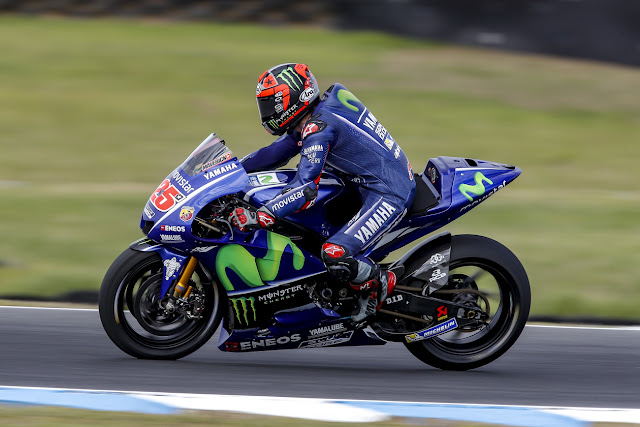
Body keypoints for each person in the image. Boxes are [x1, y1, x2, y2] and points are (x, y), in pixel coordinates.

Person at [230, 63, 416, 323]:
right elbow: (275, 152)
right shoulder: (316, 115)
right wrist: (229, 171)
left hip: (388, 192)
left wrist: (263, 215)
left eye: (273, 103)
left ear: (294, 99)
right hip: (358, 183)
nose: (268, 111)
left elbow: (305, 190)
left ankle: (379, 282)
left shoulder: (319, 127)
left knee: (334, 252)